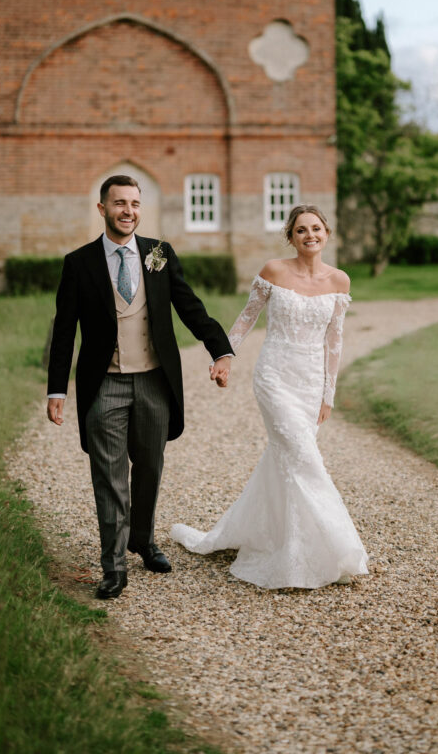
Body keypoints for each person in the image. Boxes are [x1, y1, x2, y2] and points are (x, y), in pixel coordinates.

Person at [47, 174, 233, 600]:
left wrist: (219, 350)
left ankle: (143, 540)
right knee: (110, 478)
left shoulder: (159, 254)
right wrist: (57, 390)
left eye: (134, 203)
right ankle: (113, 567)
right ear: (102, 209)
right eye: (119, 204)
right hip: (104, 385)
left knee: (149, 467)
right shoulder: (79, 263)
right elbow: (64, 333)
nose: (128, 211)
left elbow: (189, 306)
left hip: (154, 381)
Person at [171, 204, 368, 589]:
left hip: (310, 382)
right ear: (291, 237)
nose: (309, 235)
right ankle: (336, 550)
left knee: (287, 461)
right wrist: (223, 356)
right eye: (301, 230)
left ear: (326, 233)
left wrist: (328, 393)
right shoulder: (273, 271)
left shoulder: (339, 281)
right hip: (275, 376)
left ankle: (283, 540)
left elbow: (334, 343)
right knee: (304, 458)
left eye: (316, 228)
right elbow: (246, 318)